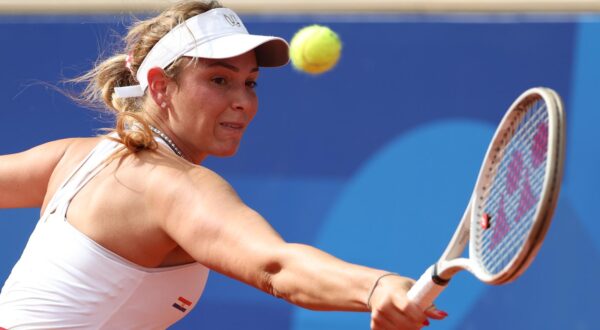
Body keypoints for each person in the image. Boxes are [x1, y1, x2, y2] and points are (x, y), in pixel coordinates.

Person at [0, 1, 448, 329]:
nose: (242, 102)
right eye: (218, 80)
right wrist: (375, 287)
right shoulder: (174, 187)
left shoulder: (74, 157)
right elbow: (277, 267)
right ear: (159, 86)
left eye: (249, 83)